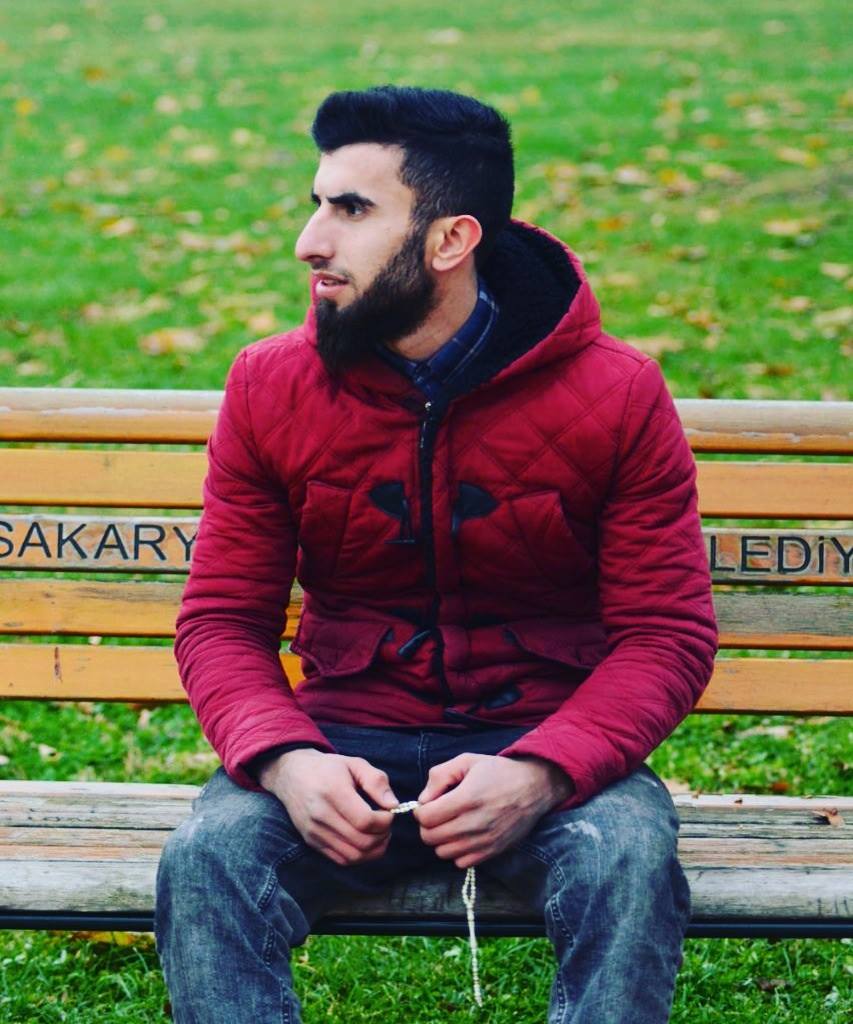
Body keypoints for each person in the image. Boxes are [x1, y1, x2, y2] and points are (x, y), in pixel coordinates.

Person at [155, 86, 717, 1024]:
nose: (309, 242)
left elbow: (664, 636)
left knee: (623, 859)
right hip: (342, 739)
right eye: (315, 204)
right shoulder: (269, 384)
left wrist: (542, 771)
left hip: (543, 737)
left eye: (351, 210)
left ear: (451, 239)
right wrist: (287, 760)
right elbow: (221, 619)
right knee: (209, 859)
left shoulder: (615, 394)